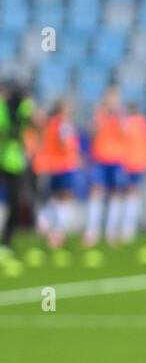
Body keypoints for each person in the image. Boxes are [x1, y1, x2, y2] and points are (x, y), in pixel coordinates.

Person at [82, 86, 128, 248]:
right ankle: (91, 231)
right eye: (110, 99)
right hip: (100, 158)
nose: (112, 103)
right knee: (96, 192)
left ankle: (111, 231)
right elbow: (92, 133)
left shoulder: (121, 116)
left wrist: (118, 117)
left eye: (115, 99)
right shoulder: (99, 115)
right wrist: (101, 119)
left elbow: (125, 133)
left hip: (116, 159)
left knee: (115, 194)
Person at [32, 99, 81, 251]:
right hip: (65, 165)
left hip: (53, 166)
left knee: (56, 198)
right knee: (66, 198)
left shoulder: (50, 122)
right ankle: (56, 232)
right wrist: (74, 155)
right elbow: (64, 141)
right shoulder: (62, 123)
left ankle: (45, 221)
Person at [0, 80, 36, 253]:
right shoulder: (2, 108)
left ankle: (7, 241)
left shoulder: (23, 108)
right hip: (5, 158)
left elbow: (35, 121)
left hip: (15, 162)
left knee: (15, 203)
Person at [116, 102, 146, 245]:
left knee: (124, 195)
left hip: (128, 163)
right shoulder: (142, 123)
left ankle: (124, 229)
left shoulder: (130, 123)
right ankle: (127, 229)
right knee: (132, 195)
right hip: (136, 163)